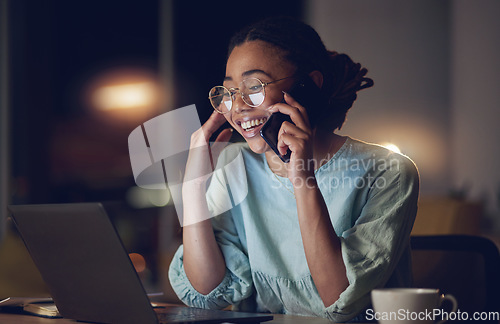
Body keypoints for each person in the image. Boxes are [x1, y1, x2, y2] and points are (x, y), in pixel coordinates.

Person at [169, 16, 419, 322]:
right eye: (230, 91)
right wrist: (193, 187)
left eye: (254, 87)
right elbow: (208, 293)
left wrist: (301, 176)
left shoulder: (388, 171)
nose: (238, 107)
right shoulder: (233, 166)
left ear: (307, 85)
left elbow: (338, 299)